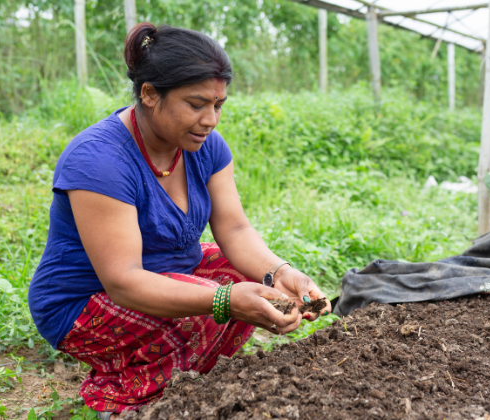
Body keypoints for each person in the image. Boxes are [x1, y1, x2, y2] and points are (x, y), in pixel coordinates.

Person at [28, 22, 331, 419]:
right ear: (150, 94)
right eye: (196, 104)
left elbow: (235, 229)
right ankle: (120, 398)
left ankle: (179, 375)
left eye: (218, 105)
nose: (211, 119)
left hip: (165, 272)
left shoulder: (204, 147)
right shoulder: (99, 160)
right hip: (84, 301)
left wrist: (279, 272)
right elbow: (122, 281)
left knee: (248, 282)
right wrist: (222, 300)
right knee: (205, 312)